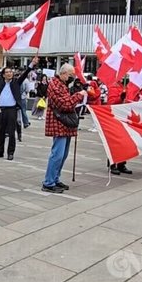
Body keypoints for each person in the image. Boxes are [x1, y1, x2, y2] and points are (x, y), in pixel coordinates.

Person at [42, 64, 87, 193]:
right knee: (57, 154)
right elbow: (65, 104)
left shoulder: (61, 84)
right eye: (70, 75)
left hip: (65, 123)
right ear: (63, 73)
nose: (71, 78)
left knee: (63, 155)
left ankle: (55, 179)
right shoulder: (55, 85)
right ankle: (48, 182)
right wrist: (79, 95)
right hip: (59, 123)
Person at [0, 57, 38, 161]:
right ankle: (0, 151)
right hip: (1, 110)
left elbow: (26, 72)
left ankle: (10, 152)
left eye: (11, 72)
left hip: (12, 110)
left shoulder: (16, 83)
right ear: (3, 74)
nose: (9, 73)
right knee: (1, 132)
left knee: (11, 132)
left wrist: (32, 63)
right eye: (7, 72)